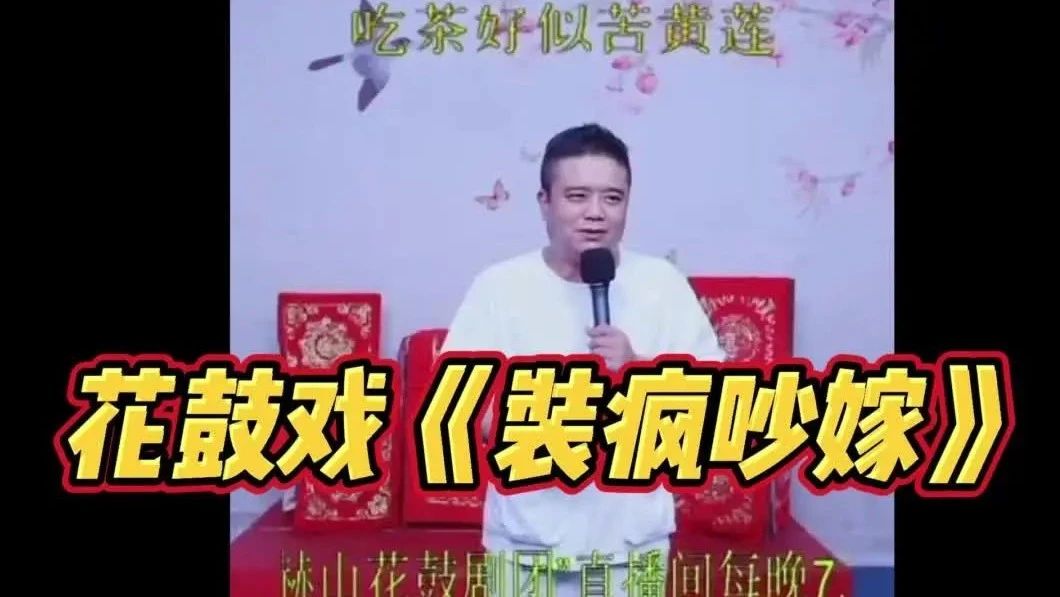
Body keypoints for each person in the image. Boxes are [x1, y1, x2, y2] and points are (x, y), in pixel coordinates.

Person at [439, 123, 727, 597]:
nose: (596, 213)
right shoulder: (499, 287)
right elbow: (461, 407)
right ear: (545, 202)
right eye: (577, 196)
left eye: (613, 198)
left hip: (633, 547)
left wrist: (637, 370)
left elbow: (715, 406)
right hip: (525, 545)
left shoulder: (662, 284)